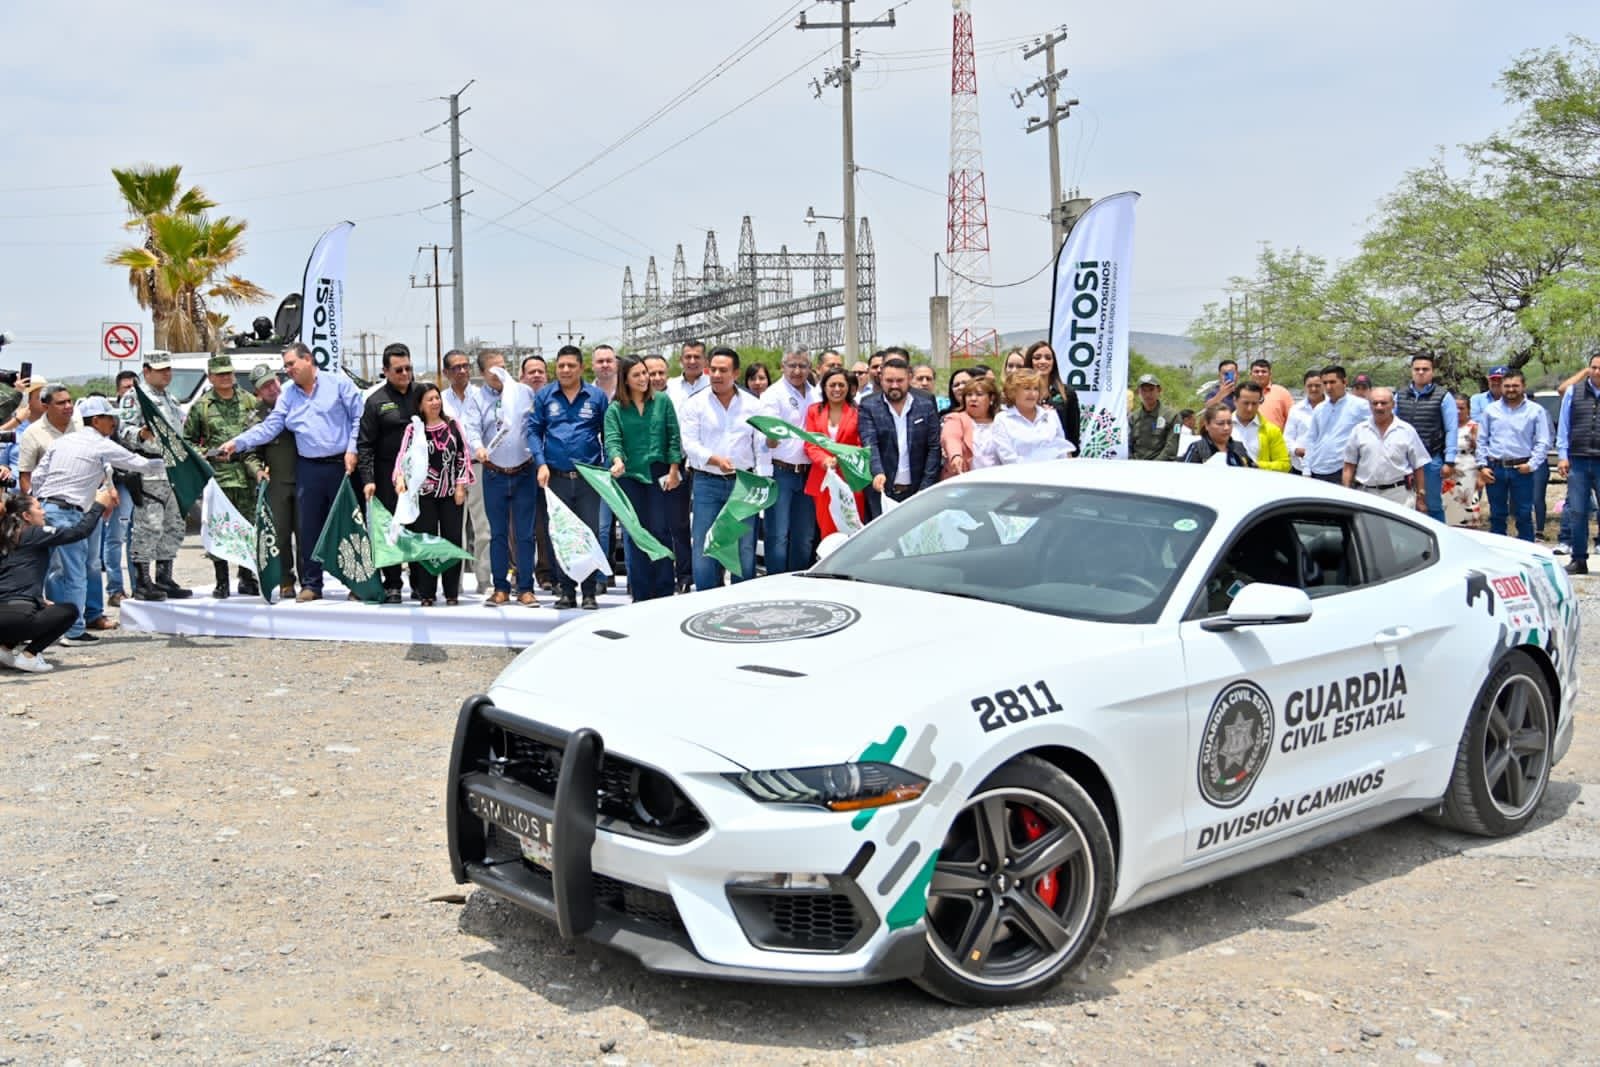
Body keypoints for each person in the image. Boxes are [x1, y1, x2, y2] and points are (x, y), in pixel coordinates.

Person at [220, 342, 363, 602]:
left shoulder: (338, 384)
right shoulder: (287, 394)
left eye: (291, 364)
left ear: (307, 359)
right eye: (285, 366)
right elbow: (270, 427)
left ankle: (357, 583)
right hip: (308, 467)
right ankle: (311, 584)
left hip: (342, 465)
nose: (287, 370)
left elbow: (358, 418)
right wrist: (237, 442)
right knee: (308, 529)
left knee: (347, 526)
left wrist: (352, 449)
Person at [31, 396, 164, 641]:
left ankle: (48, 625)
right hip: (70, 514)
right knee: (76, 573)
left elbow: (39, 475)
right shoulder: (100, 444)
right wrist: (171, 463)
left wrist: (39, 503)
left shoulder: (63, 441)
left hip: (46, 510)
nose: (114, 423)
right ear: (96, 420)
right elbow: (140, 464)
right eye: (109, 418)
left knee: (50, 572)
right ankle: (73, 630)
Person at [0, 485, 116, 672]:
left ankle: (4, 649)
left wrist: (38, 600)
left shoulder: (5, 537)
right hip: (18, 619)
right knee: (69, 611)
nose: (43, 511)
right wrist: (98, 505)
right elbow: (79, 532)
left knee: (39, 606)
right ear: (26, 517)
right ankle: (29, 656)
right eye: (38, 508)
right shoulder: (33, 533)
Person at [528, 345, 609, 610]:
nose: (565, 370)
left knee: (589, 534)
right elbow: (533, 432)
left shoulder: (596, 397)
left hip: (588, 478)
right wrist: (540, 463)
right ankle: (565, 591)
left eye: (570, 366)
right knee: (561, 534)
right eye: (561, 365)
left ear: (581, 368)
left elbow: (608, 434)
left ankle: (589, 592)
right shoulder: (545, 396)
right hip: (556, 477)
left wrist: (607, 466)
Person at [679, 347, 768, 589]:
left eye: (723, 370)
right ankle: (706, 598)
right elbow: (689, 444)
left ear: (736, 373)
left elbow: (760, 446)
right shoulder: (695, 404)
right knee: (705, 544)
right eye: (713, 370)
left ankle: (743, 598)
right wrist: (714, 459)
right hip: (707, 482)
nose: (716, 375)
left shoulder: (753, 405)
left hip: (743, 484)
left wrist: (762, 479)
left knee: (744, 545)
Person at [460, 349, 539, 607]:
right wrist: (477, 448)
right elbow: (470, 429)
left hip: (524, 472)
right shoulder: (476, 399)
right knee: (498, 534)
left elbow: (535, 426)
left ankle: (526, 587)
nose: (501, 374)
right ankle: (500, 587)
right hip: (494, 473)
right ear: (483, 374)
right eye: (494, 370)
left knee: (525, 534)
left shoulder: (523, 393)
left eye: (504, 367)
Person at [603, 355, 683, 601]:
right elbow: (612, 439)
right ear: (625, 380)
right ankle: (640, 593)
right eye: (636, 375)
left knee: (660, 531)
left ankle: (664, 591)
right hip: (629, 477)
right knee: (634, 535)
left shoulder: (662, 401)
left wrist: (673, 470)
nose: (644, 379)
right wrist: (617, 460)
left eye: (644, 373)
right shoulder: (616, 409)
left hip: (660, 474)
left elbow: (673, 437)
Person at [184, 355, 263, 598]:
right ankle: (221, 580)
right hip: (219, 479)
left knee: (248, 527)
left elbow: (260, 433)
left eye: (229, 373)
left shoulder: (250, 401)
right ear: (211, 377)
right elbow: (187, 442)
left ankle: (246, 577)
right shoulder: (202, 406)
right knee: (220, 530)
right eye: (220, 374)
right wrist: (208, 454)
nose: (226, 378)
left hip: (246, 476)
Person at [118, 353, 194, 601]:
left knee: (173, 525)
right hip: (149, 469)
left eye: (168, 369)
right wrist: (140, 434)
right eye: (160, 370)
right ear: (146, 370)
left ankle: (164, 577)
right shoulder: (135, 397)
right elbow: (123, 429)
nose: (166, 374)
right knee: (148, 526)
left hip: (172, 470)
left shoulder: (170, 399)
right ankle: (142, 581)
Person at [394, 382, 474, 606]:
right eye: (429, 399)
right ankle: (426, 592)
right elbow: (403, 458)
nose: (435, 402)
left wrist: (460, 485)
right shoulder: (414, 428)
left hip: (451, 494)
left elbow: (462, 456)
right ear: (419, 404)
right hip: (423, 496)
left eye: (437, 398)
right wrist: (400, 478)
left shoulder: (452, 425)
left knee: (452, 541)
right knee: (426, 543)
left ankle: (451, 592)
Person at [357, 343, 425, 603]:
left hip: (418, 476)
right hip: (387, 475)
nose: (405, 374)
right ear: (385, 371)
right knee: (391, 530)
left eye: (408, 368)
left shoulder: (422, 394)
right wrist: (368, 480)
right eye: (398, 370)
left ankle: (420, 583)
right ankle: (393, 583)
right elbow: (365, 444)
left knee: (418, 528)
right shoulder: (376, 401)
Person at [758, 349, 821, 574]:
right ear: (782, 366)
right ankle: (775, 580)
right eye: (792, 365)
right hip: (780, 472)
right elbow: (766, 436)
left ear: (809, 368)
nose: (797, 371)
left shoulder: (816, 394)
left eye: (802, 366)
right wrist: (770, 440)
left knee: (804, 535)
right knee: (777, 534)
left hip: (809, 473)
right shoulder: (772, 395)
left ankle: (797, 580)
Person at [857, 357, 941, 517]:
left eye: (900, 380)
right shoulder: (869, 405)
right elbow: (869, 443)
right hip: (882, 491)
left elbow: (934, 447)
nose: (894, 385)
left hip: (918, 491)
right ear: (880, 379)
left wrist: (926, 487)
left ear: (909, 378)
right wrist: (877, 472)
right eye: (889, 380)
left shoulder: (925, 404)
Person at [1475, 370, 1549, 542]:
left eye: (1515, 386)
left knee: (1523, 514)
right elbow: (1482, 440)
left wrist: (1531, 465)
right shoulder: (1490, 410)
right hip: (1495, 469)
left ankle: (1527, 554)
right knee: (1497, 515)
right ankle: (1498, 556)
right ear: (1501, 387)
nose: (1511, 389)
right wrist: (1482, 466)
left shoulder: (1536, 411)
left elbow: (1543, 441)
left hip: (1522, 469)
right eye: (1507, 386)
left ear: (1523, 386)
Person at [442, 349, 491, 594]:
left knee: (483, 528)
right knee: (454, 529)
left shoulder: (482, 397)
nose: (462, 371)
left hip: (478, 467)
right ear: (446, 373)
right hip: (449, 472)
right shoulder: (439, 400)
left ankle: (485, 580)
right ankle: (455, 584)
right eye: (456, 367)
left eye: (465, 366)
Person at [249, 365, 299, 600]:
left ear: (279, 380)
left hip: (305, 477)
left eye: (272, 383)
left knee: (307, 532)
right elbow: (249, 452)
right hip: (277, 482)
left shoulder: (297, 401)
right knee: (280, 534)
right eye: (264, 387)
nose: (271, 389)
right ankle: (286, 580)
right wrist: (257, 470)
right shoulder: (255, 417)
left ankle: (312, 581)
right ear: (257, 392)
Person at [664, 341, 710, 594]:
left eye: (697, 357)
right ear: (680, 360)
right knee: (679, 522)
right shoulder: (670, 387)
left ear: (705, 361)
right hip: (677, 461)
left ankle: (712, 572)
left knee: (706, 523)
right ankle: (684, 574)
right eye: (688, 357)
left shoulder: (714, 385)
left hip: (707, 464)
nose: (692, 361)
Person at [1392, 354, 1458, 523]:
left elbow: (1451, 429)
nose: (1420, 372)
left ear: (1432, 372)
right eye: (1417, 369)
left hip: (1431, 460)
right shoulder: (1399, 396)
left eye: (1425, 369)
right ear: (1411, 371)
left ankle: (1440, 543)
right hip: (1404, 461)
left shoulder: (1444, 396)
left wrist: (1449, 461)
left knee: (1433, 505)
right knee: (1405, 505)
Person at [1341, 387, 1430, 509]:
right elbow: (1349, 466)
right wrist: (1346, 494)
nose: (1379, 407)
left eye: (1383, 403)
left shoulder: (1407, 430)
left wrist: (1421, 498)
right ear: (1369, 405)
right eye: (1375, 403)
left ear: (1393, 405)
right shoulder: (1359, 430)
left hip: (1400, 497)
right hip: (1366, 495)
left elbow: (1418, 466)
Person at [803, 366, 866, 535]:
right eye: (832, 385)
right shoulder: (814, 411)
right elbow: (810, 444)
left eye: (841, 385)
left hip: (850, 479)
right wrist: (824, 461)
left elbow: (863, 444)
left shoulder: (858, 412)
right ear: (824, 387)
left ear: (849, 388)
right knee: (827, 532)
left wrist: (843, 459)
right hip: (823, 478)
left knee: (853, 530)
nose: (837, 389)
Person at [1556, 353, 1600, 574]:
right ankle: (1579, 559)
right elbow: (1563, 426)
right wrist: (1563, 455)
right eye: (1594, 367)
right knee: (1577, 512)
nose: (1597, 372)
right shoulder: (1574, 391)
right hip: (1578, 460)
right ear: (1588, 369)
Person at [101, 370, 140, 604]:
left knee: (138, 537)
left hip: (140, 482)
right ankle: (115, 589)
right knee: (116, 537)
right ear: (118, 391)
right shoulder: (109, 418)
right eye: (126, 387)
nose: (130, 391)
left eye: (134, 387)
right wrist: (109, 487)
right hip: (117, 484)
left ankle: (139, 586)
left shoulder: (145, 413)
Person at [994, 369, 1074, 466]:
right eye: (1027, 388)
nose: (1032, 393)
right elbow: (1008, 458)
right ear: (1013, 391)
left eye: (1035, 388)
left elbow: (1062, 450)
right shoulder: (1002, 419)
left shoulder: (1050, 415)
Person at [1305, 365, 1370, 484]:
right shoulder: (1320, 409)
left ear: (1344, 382)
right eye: (1325, 383)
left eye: (1332, 382)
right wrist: (1307, 469)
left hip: (1342, 470)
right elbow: (1311, 440)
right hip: (1317, 469)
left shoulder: (1360, 406)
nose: (1329, 387)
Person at [589, 345, 621, 579]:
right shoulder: (587, 393)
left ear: (616, 363)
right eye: (600, 361)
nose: (605, 365)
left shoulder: (628, 389)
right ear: (592, 365)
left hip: (626, 463)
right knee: (601, 525)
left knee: (630, 523)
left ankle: (634, 579)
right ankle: (601, 576)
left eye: (609, 360)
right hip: (598, 464)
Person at [15, 384, 79, 494]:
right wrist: (35, 505)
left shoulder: (81, 426)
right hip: (48, 502)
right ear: (45, 407)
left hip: (81, 501)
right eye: (61, 403)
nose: (68, 406)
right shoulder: (32, 434)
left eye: (69, 401)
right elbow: (25, 477)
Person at [1025, 341, 1082, 453]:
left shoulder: (1067, 393)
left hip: (1060, 459)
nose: (1043, 361)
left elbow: (1073, 433)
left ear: (1053, 363)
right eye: (1037, 357)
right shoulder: (1021, 394)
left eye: (1048, 358)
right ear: (1029, 362)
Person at [941, 375, 1002, 477]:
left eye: (979, 394)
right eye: (969, 395)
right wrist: (956, 455)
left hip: (997, 482)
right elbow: (950, 437)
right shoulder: (956, 418)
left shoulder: (1001, 421)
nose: (973, 399)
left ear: (991, 398)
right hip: (964, 482)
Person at [1232, 382, 1291, 471]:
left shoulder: (1271, 430)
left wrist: (1258, 466)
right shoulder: (1220, 426)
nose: (1250, 408)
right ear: (1235, 401)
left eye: (1254, 404)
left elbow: (1285, 464)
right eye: (1246, 403)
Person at [1447, 393, 1482, 527]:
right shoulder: (1446, 426)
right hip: (1449, 470)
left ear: (1468, 409)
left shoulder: (1474, 427)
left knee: (1467, 505)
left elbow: (1481, 451)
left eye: (1461, 408)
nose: (1458, 411)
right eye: (1455, 408)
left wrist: (1480, 476)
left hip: (1468, 468)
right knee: (1449, 506)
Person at [1183, 402, 1254, 466]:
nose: (1226, 428)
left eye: (1229, 423)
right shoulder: (1197, 448)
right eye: (1220, 423)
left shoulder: (1239, 448)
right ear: (1207, 425)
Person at [1128, 374, 1179, 461]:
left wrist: (1153, 466)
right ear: (1138, 392)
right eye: (1143, 390)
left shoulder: (1172, 416)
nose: (1148, 394)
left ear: (1159, 390)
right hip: (1136, 467)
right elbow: (1128, 446)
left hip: (1161, 468)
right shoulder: (1133, 418)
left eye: (1151, 390)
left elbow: (1171, 448)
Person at [1284, 369, 1325, 475]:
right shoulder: (1296, 409)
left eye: (1317, 385)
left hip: (1325, 467)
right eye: (1310, 386)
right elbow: (1287, 438)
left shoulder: (1332, 408)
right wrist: (1297, 450)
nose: (1313, 389)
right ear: (1305, 387)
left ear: (1324, 386)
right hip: (1299, 467)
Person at [1248, 359, 1294, 429]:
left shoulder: (1282, 393)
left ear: (1270, 374)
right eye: (1256, 372)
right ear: (1250, 374)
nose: (1260, 374)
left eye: (1264, 372)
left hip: (1276, 438)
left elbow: (1293, 419)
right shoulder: (1244, 393)